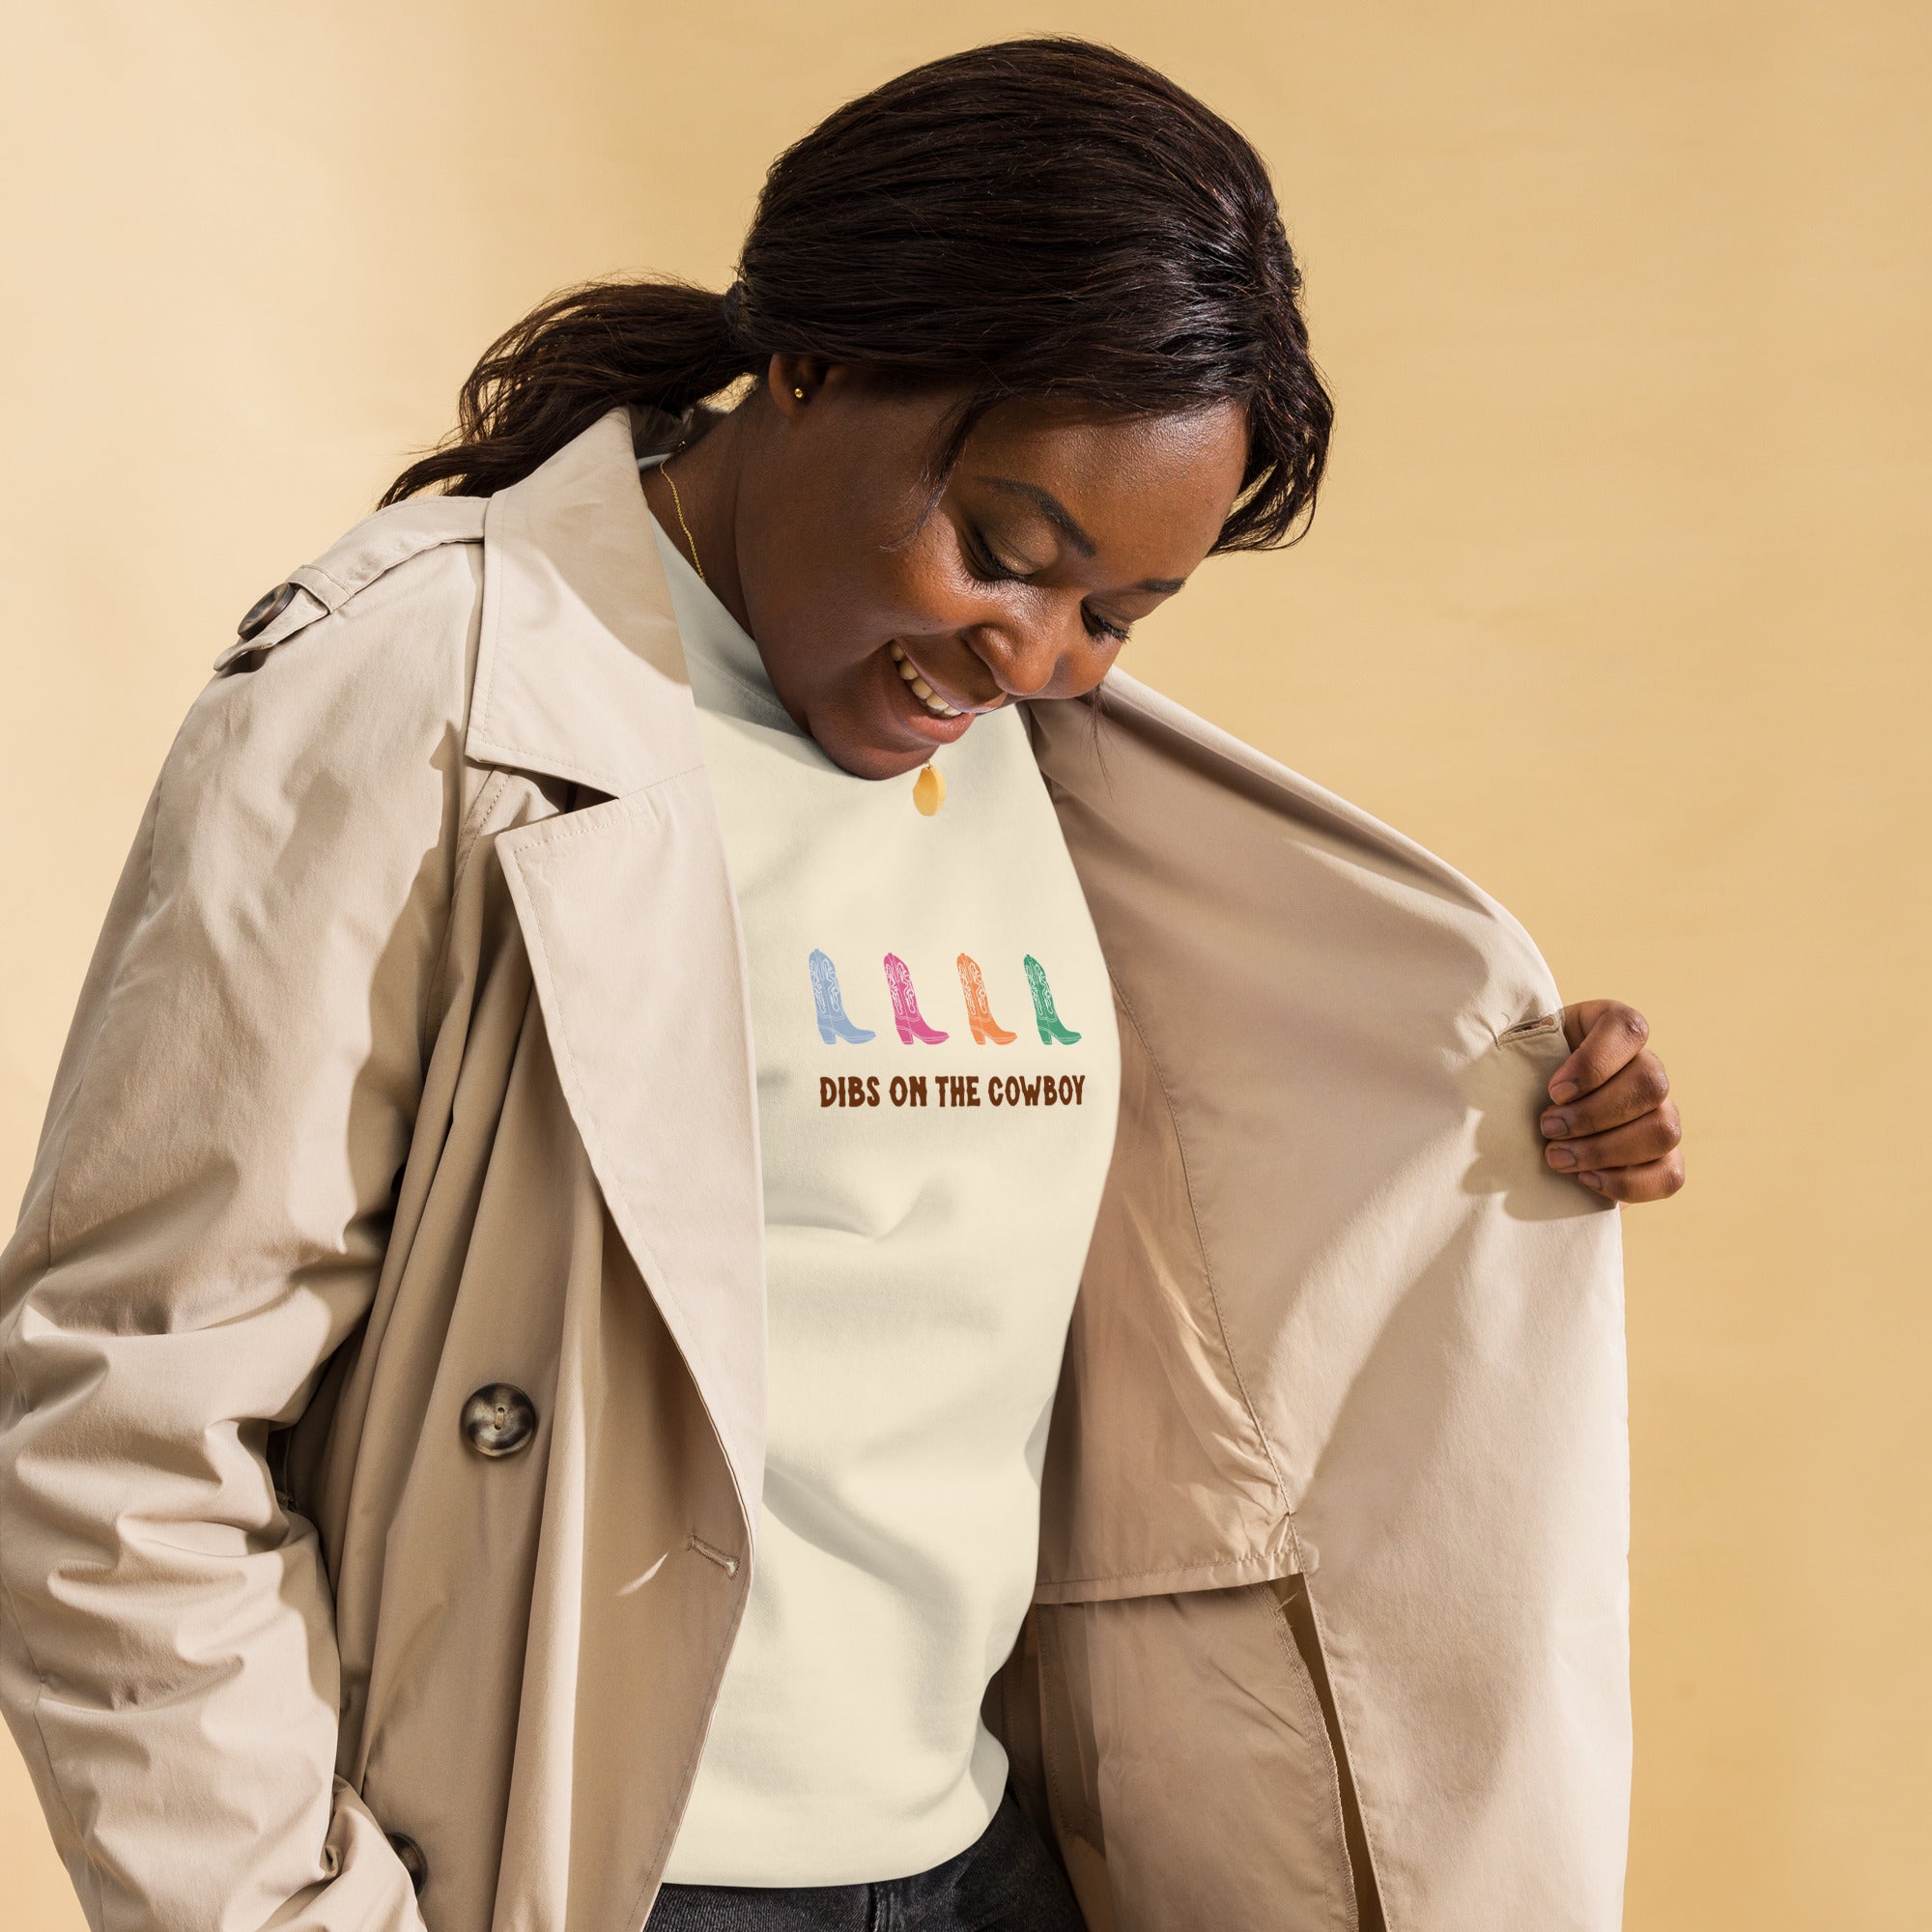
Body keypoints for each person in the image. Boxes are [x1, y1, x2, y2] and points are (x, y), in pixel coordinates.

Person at [0, 37, 1681, 1932]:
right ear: (813, 362)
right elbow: (119, 1426)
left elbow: (1183, 1255)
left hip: (990, 1860)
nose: (1036, 652)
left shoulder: (1044, 772)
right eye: (1007, 549)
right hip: (595, 1878)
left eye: (1117, 613)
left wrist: (1496, 1101)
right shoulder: (420, 701)